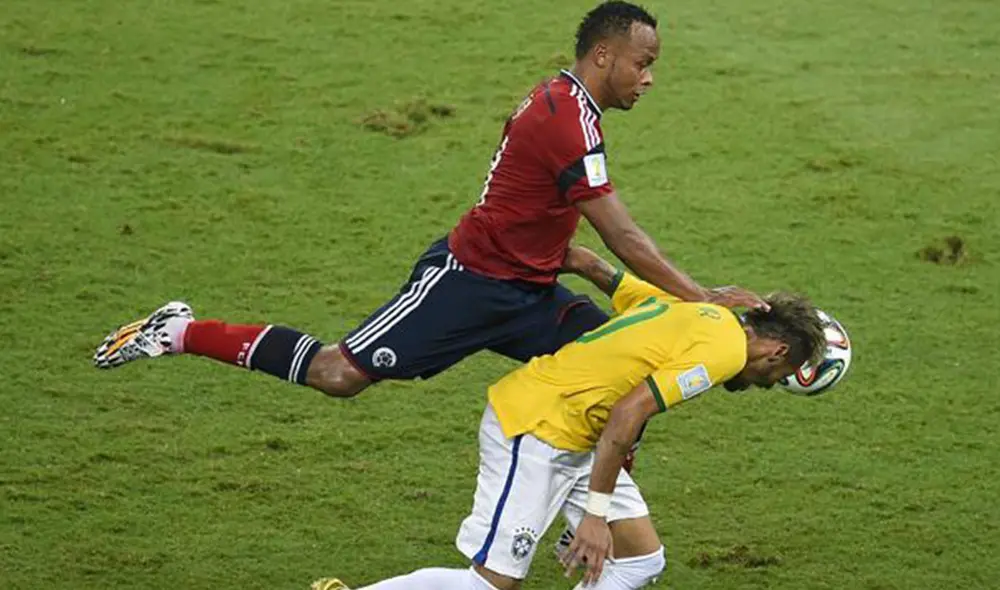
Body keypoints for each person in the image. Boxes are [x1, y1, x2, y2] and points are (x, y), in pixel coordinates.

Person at [93, 1, 763, 408]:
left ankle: (589, 522)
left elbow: (534, 193)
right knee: (337, 375)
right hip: (468, 284)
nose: (649, 78)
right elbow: (628, 238)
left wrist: (557, 254)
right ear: (603, 55)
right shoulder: (567, 121)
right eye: (643, 62)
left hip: (530, 289)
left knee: (616, 368)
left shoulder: (566, 105)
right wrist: (700, 297)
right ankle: (176, 332)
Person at [309, 248, 827, 590]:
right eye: (778, 374)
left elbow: (595, 267)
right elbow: (629, 413)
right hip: (537, 428)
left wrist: (542, 250)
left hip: (581, 437)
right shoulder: (724, 354)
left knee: (639, 561)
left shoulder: (697, 308)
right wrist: (595, 517)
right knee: (491, 584)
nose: (767, 383)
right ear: (777, 349)